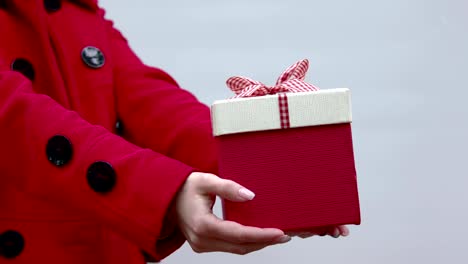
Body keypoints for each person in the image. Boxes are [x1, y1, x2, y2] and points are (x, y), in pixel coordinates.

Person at [0, 0, 348, 263]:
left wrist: (265, 164)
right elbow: (14, 118)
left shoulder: (70, 8)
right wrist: (165, 191)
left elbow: (144, 97)